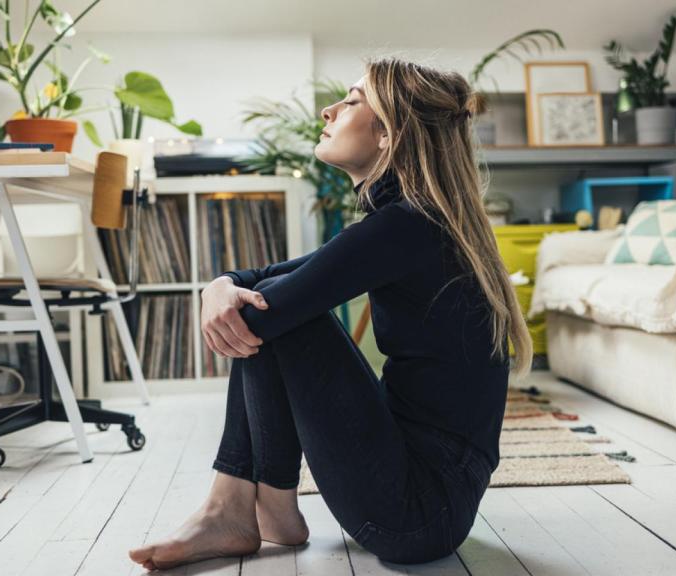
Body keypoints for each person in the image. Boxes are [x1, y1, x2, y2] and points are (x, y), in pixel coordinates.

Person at [129, 56, 533, 572]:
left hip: (416, 513)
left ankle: (235, 508)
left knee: (276, 309)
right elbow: (265, 280)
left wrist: (230, 292)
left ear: (389, 133)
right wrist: (218, 285)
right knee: (276, 300)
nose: (328, 110)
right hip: (424, 500)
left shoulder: (407, 227)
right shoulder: (415, 221)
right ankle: (261, 508)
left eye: (351, 100)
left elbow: (267, 304)